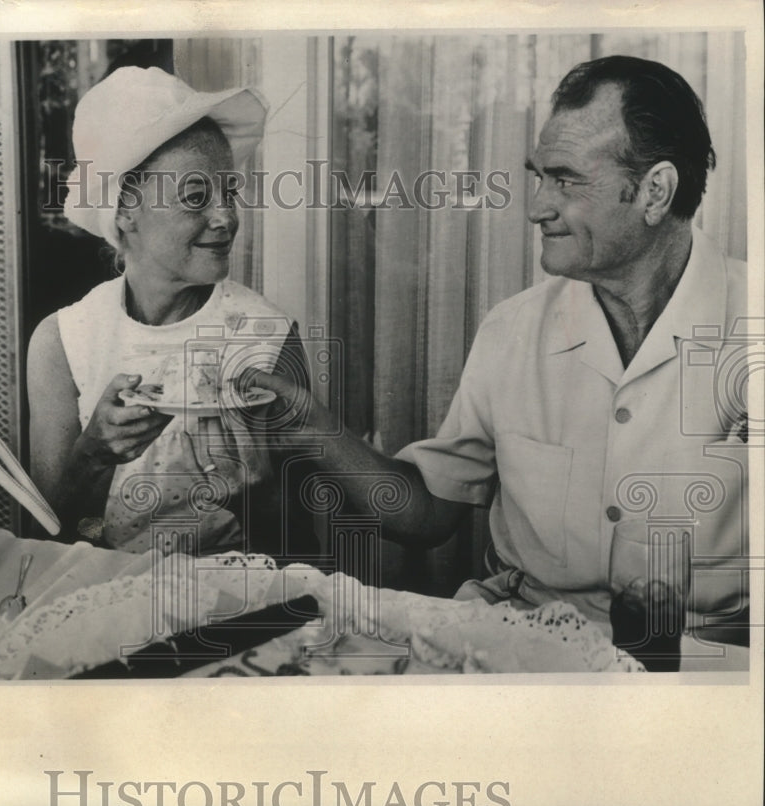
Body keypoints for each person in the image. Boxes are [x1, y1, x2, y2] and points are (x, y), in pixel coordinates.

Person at [246, 55, 748, 640]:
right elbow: (430, 513)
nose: (536, 206)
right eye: (538, 175)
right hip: (527, 641)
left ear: (655, 191)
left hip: (708, 661)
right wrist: (312, 428)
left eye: (565, 179)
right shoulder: (514, 330)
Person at [27, 66, 312, 556]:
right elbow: (42, 541)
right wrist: (91, 455)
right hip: (102, 603)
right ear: (124, 212)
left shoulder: (266, 337)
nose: (225, 218)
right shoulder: (63, 342)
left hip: (228, 610)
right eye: (196, 197)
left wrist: (261, 497)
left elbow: (305, 554)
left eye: (229, 193)